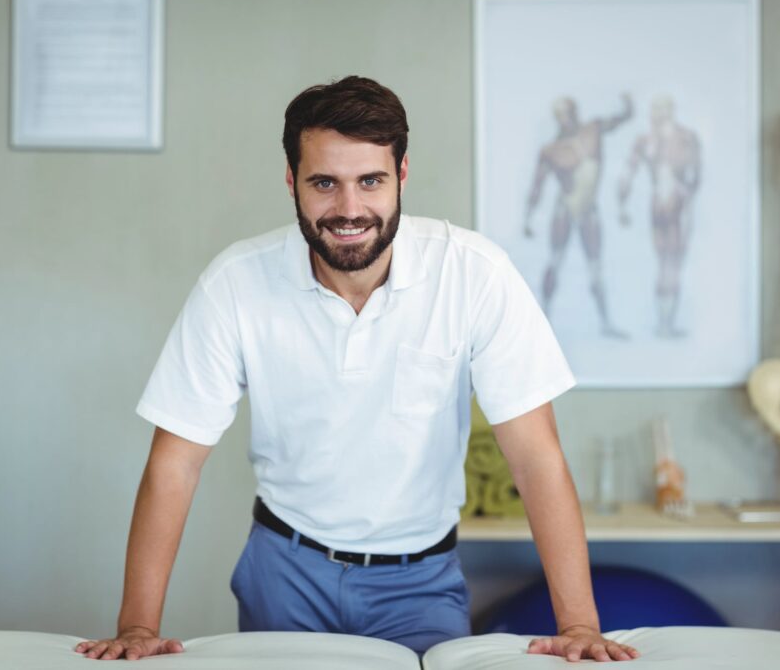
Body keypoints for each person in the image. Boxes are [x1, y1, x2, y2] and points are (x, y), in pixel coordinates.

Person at [74, 76, 639, 663]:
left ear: (402, 175)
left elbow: (535, 458)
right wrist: (138, 625)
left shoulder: (475, 274)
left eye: (371, 181)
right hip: (284, 569)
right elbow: (175, 463)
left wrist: (579, 623)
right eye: (325, 183)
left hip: (420, 582)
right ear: (292, 182)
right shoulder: (235, 283)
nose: (349, 209)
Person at [524, 94, 633, 338]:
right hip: (565, 208)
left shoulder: (592, 131)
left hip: (588, 209)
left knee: (595, 266)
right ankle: (544, 322)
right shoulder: (551, 150)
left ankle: (605, 323)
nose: (566, 118)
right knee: (555, 260)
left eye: (568, 112)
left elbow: (616, 122)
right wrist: (529, 217)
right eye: (561, 114)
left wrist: (628, 109)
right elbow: (537, 185)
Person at [617, 96, 701, 338]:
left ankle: (667, 322)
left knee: (674, 263)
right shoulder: (645, 141)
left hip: (680, 204)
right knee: (664, 263)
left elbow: (696, 175)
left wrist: (682, 190)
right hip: (659, 207)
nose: (657, 115)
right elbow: (626, 173)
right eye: (654, 110)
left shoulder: (686, 139)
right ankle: (663, 323)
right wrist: (622, 205)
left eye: (661, 110)